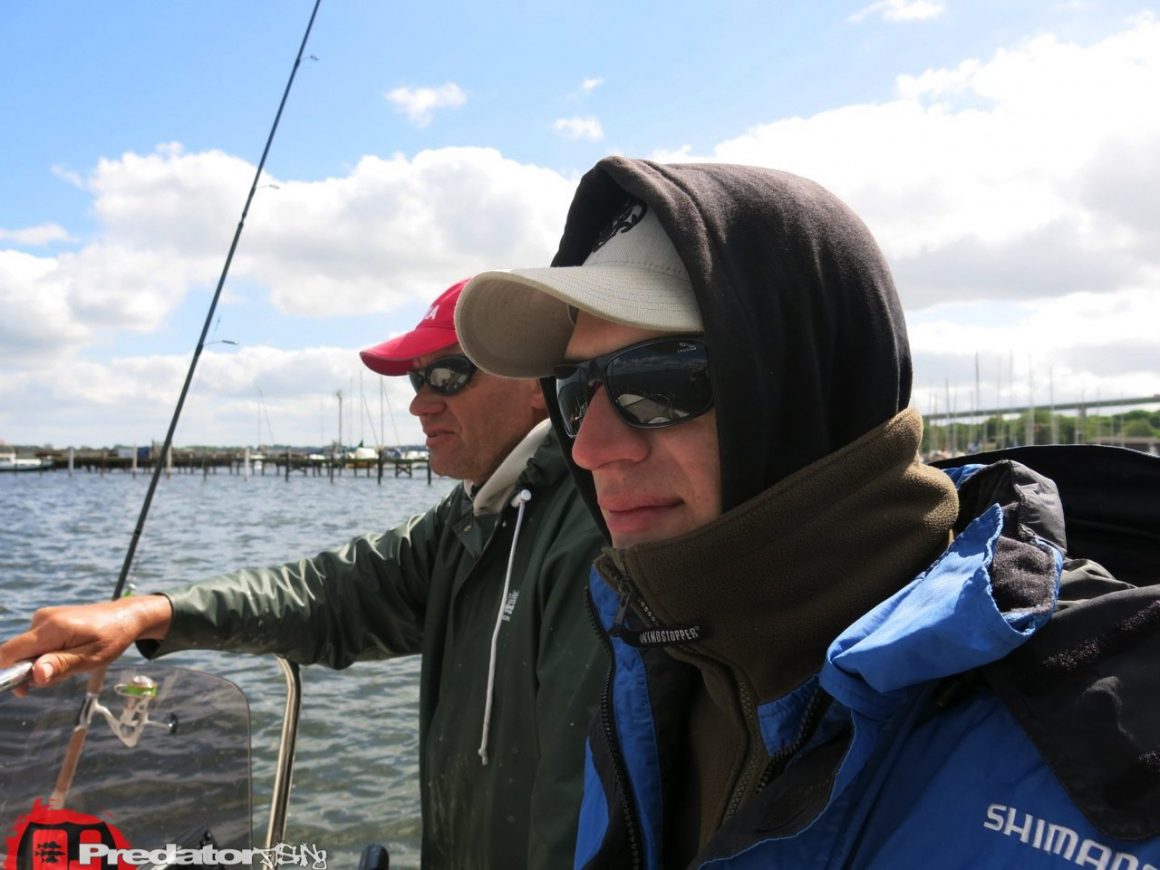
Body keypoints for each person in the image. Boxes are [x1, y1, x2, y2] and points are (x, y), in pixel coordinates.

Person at [453, 159, 1160, 867]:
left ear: (813, 381)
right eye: (576, 392)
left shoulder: (1112, 744)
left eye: (661, 382)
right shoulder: (651, 660)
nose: (592, 447)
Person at [0, 278, 607, 869]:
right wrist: (150, 613)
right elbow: (330, 594)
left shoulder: (591, 529)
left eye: (447, 373)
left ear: (537, 383)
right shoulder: (475, 514)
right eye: (417, 378)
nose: (420, 401)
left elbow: (580, 800)